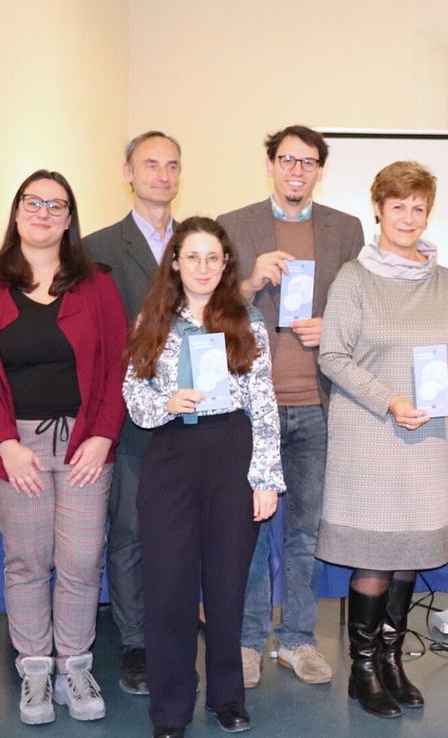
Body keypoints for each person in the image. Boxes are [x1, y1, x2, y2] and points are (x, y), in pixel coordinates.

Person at [0, 170, 128, 726]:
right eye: (34, 202)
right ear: (16, 212)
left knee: (80, 560)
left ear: (70, 219)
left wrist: (103, 436)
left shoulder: (96, 284)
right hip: (15, 449)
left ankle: (75, 666)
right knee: (27, 561)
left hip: (84, 443)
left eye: (56, 205)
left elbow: (119, 365)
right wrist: (6, 445)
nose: (44, 213)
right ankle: (34, 669)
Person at [124, 216, 284, 738]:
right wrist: (165, 403)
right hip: (171, 457)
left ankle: (227, 697)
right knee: (168, 589)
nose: (203, 267)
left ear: (226, 264)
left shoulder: (247, 320)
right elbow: (134, 394)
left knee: (227, 586)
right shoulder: (153, 318)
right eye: (192, 257)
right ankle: (171, 708)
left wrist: (266, 478)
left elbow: (264, 402)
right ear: (175, 262)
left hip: (232, 456)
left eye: (213, 258)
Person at [316, 160, 448, 719]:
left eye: (418, 207)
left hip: (428, 439)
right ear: (377, 210)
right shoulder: (354, 278)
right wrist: (389, 400)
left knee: (409, 554)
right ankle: (362, 671)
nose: (408, 216)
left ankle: (392, 660)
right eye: (397, 205)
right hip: (370, 434)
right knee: (375, 556)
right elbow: (333, 356)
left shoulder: (446, 282)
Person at [219, 124, 364, 688]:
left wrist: (334, 328)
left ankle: (299, 639)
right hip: (253, 408)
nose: (296, 170)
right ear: (271, 164)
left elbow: (362, 311)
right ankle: (248, 640)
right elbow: (207, 308)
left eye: (307, 162)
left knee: (306, 533)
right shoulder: (235, 226)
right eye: (287, 159)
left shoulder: (346, 230)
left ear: (319, 170)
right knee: (249, 531)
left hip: (318, 404)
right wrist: (249, 282)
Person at [83, 130, 183, 695]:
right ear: (128, 173)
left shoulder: (196, 242)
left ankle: (172, 624)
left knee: (182, 528)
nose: (162, 175)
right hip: (128, 411)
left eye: (171, 165)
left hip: (193, 412)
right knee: (129, 530)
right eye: (150, 165)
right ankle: (136, 643)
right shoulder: (97, 248)